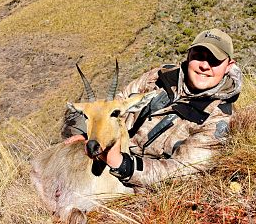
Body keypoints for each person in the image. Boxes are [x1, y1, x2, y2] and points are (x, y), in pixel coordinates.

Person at [65, 28, 242, 187]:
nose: (204, 65)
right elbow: (118, 102)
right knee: (71, 124)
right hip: (114, 148)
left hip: (141, 180)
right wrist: (94, 133)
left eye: (214, 61)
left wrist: (123, 164)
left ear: (229, 66)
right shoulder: (159, 76)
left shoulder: (219, 119)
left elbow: (182, 170)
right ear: (188, 55)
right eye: (198, 56)